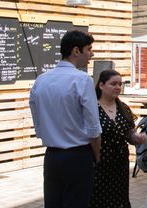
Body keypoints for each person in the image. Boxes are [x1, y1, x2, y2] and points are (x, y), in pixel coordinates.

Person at [29, 30, 101, 208]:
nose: (91, 55)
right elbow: (93, 127)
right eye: (89, 49)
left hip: (52, 157)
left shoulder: (41, 80)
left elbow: (36, 119)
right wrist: (97, 157)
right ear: (76, 51)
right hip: (78, 156)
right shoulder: (82, 79)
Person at [90, 69, 145, 208]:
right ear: (101, 85)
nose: (118, 87)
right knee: (99, 198)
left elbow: (129, 135)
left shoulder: (123, 108)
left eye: (120, 84)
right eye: (113, 84)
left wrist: (138, 138)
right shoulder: (92, 108)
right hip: (99, 163)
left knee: (119, 198)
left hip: (120, 163)